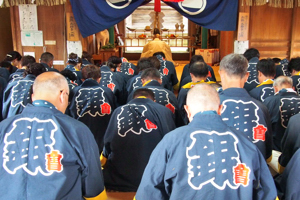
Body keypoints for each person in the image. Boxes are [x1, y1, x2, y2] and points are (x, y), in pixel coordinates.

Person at [135, 84, 277, 200]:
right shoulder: (245, 142)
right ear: (220, 109)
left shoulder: (171, 141)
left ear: (187, 110)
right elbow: (268, 193)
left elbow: (148, 192)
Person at [0, 72, 106, 199]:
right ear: (62, 95)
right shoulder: (76, 129)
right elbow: (93, 186)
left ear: (33, 97)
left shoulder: (3, 126)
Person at [101, 88, 176, 192]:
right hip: (155, 180)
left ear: (132, 99)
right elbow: (172, 143)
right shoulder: (164, 111)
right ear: (154, 101)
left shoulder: (118, 111)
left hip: (118, 180)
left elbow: (108, 142)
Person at [218, 53, 272, 161]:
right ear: (247, 76)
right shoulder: (261, 108)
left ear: (221, 73)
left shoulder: (210, 106)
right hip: (254, 172)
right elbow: (267, 154)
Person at [68, 65, 116, 152]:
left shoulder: (75, 91)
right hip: (102, 133)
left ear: (82, 79)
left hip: (79, 133)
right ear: (99, 78)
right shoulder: (106, 91)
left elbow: (69, 112)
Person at [263, 76, 300, 152]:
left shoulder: (269, 101)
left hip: (276, 151)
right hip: (297, 152)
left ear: (275, 88)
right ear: (293, 88)